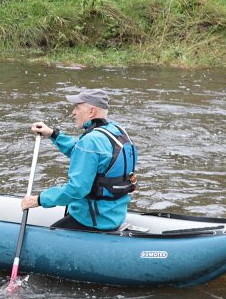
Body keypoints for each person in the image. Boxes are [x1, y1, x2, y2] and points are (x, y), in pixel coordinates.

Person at [20, 89, 138, 232]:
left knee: (50, 237)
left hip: (92, 220)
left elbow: (76, 189)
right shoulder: (116, 131)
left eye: (77, 107)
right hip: (113, 215)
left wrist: (39, 200)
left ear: (91, 112)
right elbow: (82, 153)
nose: (73, 112)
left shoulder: (91, 141)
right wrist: (53, 134)